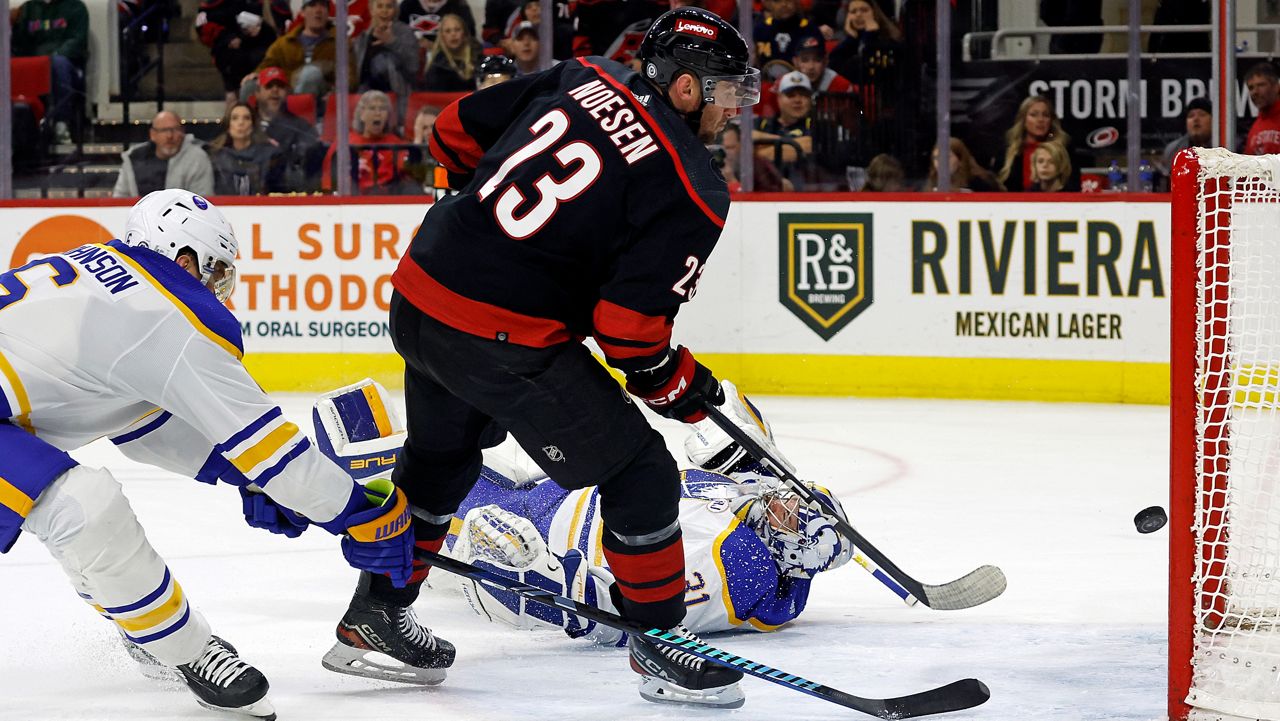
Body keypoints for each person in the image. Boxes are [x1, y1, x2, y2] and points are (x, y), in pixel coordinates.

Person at [325, 6, 762, 708]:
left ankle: (376, 612)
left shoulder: (581, 75)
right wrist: (684, 385)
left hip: (424, 292)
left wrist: (492, 230)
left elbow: (451, 133)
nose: (733, 110)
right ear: (685, 89)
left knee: (442, 460)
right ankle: (662, 641)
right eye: (727, 92)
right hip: (503, 337)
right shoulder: (692, 186)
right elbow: (630, 337)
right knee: (641, 472)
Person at [0, 190, 414, 719]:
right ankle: (183, 651)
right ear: (183, 257)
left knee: (74, 508)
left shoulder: (100, 277)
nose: (218, 287)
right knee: (83, 507)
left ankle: (146, 626)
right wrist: (362, 513)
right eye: (215, 270)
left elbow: (136, 420)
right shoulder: (167, 312)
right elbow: (274, 451)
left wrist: (243, 476)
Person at [311, 379, 851, 643]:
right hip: (561, 491)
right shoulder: (758, 516)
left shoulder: (738, 577)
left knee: (409, 484)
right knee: (463, 441)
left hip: (540, 532)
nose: (782, 501)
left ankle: (319, 480)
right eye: (794, 497)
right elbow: (739, 444)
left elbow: (622, 618)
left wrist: (532, 569)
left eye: (791, 515)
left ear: (787, 550)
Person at [11, 0, 89, 145]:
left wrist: (52, 57)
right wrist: (13, 23)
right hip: (34, 61)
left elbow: (77, 41)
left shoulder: (76, 7)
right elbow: (20, 44)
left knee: (57, 63)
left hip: (67, 63)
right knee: (17, 65)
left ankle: (61, 122)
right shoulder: (29, 8)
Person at [249, 0, 355, 98]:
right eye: (312, 5)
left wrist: (334, 94)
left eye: (323, 6)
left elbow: (350, 77)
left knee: (311, 73)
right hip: (287, 97)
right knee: (250, 85)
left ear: (328, 13)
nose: (318, 10)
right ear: (303, 12)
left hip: (323, 100)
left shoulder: (340, 42)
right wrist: (256, 74)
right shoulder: (285, 43)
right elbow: (266, 67)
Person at [322, 90, 411, 194]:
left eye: (382, 109)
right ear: (361, 114)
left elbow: (406, 178)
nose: (377, 113)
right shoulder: (345, 142)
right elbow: (329, 179)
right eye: (372, 108)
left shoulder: (396, 145)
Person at [253, 67, 325, 192]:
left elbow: (306, 164)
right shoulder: (244, 122)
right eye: (269, 86)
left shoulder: (302, 127)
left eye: (280, 86)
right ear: (257, 93)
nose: (275, 90)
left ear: (287, 92)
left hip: (286, 193)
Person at [113, 112, 215, 198]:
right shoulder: (133, 158)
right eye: (164, 130)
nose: (169, 136)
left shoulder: (197, 158)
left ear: (182, 132)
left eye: (175, 129)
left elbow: (202, 200)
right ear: (153, 134)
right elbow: (120, 199)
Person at [196, 0, 278, 106]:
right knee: (234, 98)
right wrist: (229, 39)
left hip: (257, 60)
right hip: (230, 60)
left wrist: (259, 30)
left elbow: (272, 38)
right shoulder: (212, 7)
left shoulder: (260, 5)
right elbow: (204, 30)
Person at [356, 0, 420, 121]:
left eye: (389, 6)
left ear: (395, 10)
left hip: (399, 95)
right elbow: (356, 73)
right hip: (365, 97)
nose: (384, 11)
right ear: (371, 10)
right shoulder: (363, 37)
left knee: (381, 62)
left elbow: (413, 66)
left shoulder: (405, 32)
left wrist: (392, 41)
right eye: (379, 6)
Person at [994, 95, 1073, 193]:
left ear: (1051, 121)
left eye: (1045, 115)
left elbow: (1073, 186)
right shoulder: (1008, 151)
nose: (1040, 120)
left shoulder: (1064, 148)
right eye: (1034, 115)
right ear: (1023, 120)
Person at [207, 103, 283, 195]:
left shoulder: (270, 156)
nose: (241, 123)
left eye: (246, 118)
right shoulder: (215, 157)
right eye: (235, 118)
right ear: (228, 125)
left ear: (253, 125)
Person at [754, 70, 814, 171]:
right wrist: (788, 142)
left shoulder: (818, 124)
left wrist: (761, 149)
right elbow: (744, 140)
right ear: (779, 98)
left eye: (803, 95)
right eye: (791, 95)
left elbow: (812, 145)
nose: (798, 100)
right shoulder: (763, 123)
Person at [416, 13, 483, 91]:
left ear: (464, 33)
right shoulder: (436, 67)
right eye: (448, 31)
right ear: (442, 36)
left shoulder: (477, 56)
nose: (453, 34)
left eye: (457, 30)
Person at [719, 123, 789, 193]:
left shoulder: (758, 166)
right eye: (724, 148)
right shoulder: (719, 163)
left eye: (731, 148)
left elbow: (768, 199)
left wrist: (732, 181)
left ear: (743, 146)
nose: (727, 153)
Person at [753, 0, 824, 66]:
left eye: (788, 0)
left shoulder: (810, 29)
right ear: (769, 4)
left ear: (796, 2)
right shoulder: (761, 29)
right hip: (766, 77)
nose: (784, 4)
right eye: (778, 0)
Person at [927, 137, 1004, 192]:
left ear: (960, 159)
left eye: (947, 157)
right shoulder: (932, 182)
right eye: (936, 158)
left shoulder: (980, 183)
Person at [1162, 97, 1212, 173]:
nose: (1196, 119)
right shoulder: (1173, 150)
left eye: (1202, 114)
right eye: (1191, 116)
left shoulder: (1225, 144)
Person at [1245, 62, 1280, 156]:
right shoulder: (1255, 127)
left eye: (1261, 85)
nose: (1255, 92)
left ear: (1276, 87)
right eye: (1251, 88)